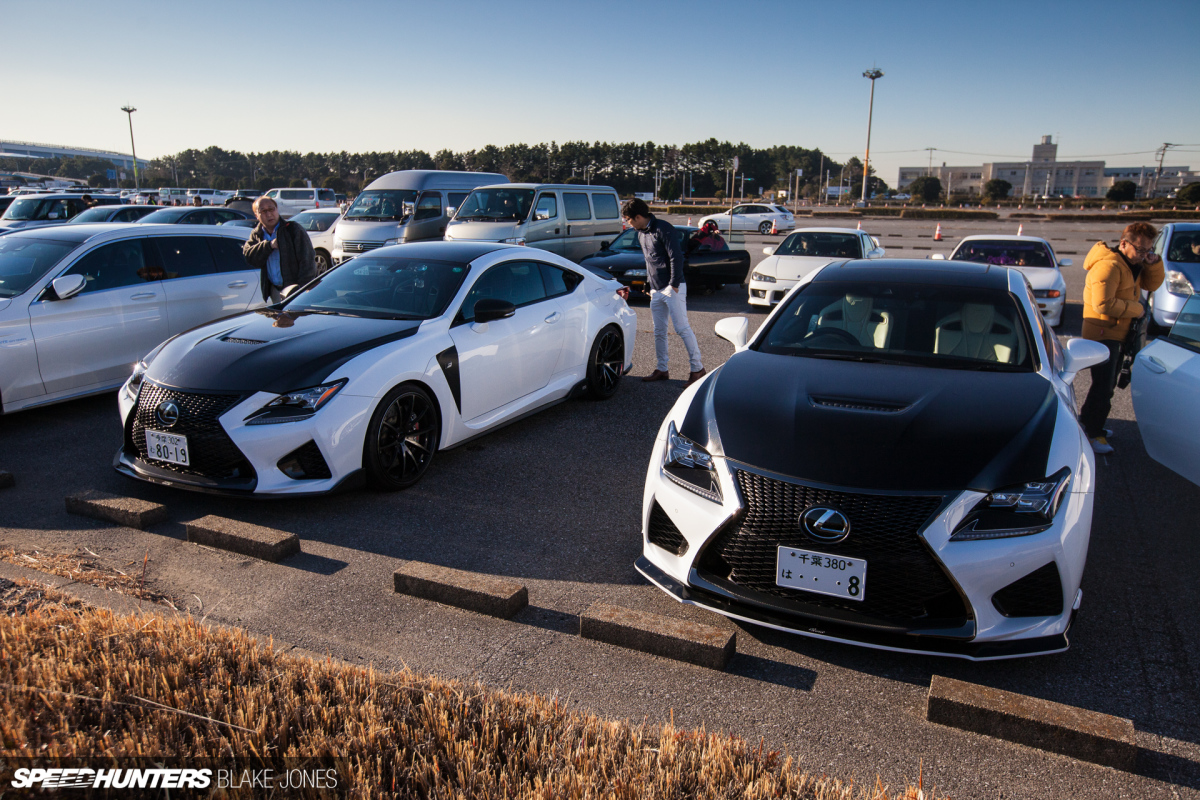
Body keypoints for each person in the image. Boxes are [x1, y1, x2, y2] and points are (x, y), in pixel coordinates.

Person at [1079, 221, 1164, 454]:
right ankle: (1093, 435)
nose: (1144, 255)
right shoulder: (1109, 267)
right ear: (1124, 243)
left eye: (1149, 250)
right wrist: (1137, 309)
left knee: (1105, 386)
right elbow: (1103, 304)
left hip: (1117, 333)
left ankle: (1088, 424)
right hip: (1103, 334)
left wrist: (1153, 264)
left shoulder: (1131, 263)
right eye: (1141, 250)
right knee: (1103, 387)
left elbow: (1152, 284)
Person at [621, 198, 705, 386]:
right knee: (659, 331)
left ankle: (697, 369)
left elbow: (676, 256)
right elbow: (649, 261)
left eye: (628, 219)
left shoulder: (663, 228)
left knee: (682, 328)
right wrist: (648, 284)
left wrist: (674, 284)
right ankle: (662, 369)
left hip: (672, 288)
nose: (628, 223)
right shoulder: (641, 233)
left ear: (638, 216)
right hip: (656, 289)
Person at [242, 196, 317, 304]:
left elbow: (308, 263)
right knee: (279, 320)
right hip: (275, 291)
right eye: (263, 211)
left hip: (296, 290)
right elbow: (249, 256)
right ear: (256, 215)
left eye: (271, 209)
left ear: (277, 209)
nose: (269, 214)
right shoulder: (257, 234)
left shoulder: (293, 229)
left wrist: (301, 290)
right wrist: (268, 246)